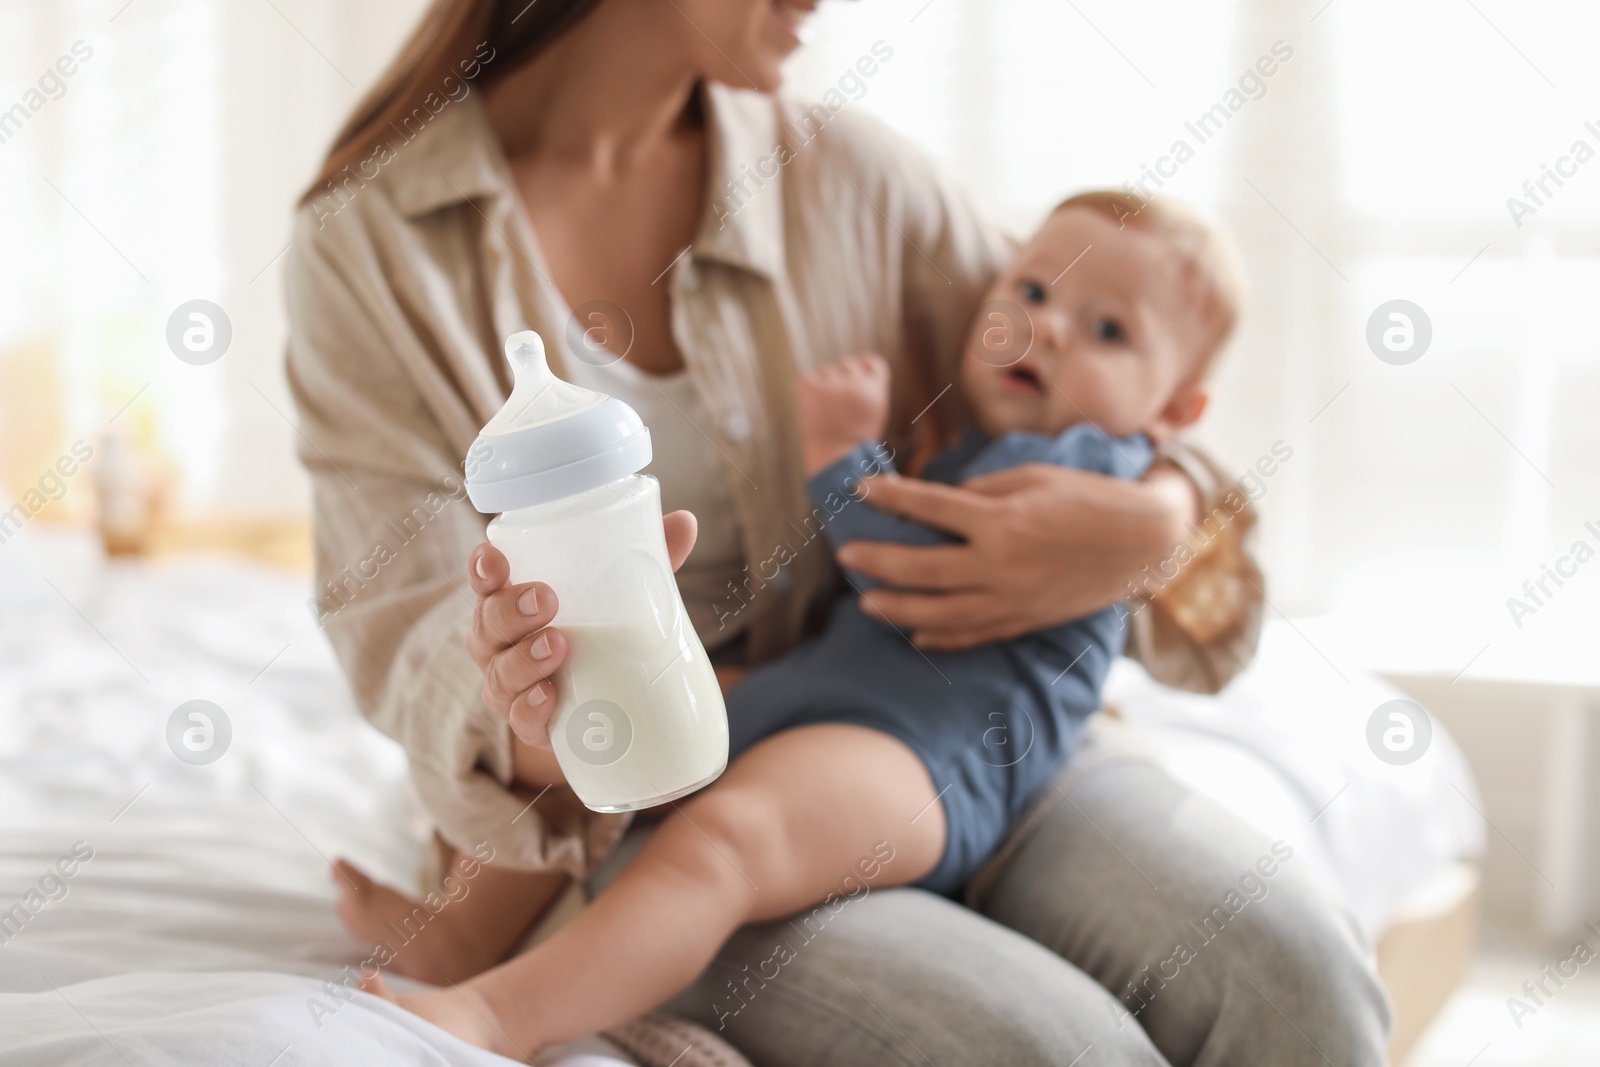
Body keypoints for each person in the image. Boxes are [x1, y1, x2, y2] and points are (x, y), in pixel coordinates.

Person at [285, 0, 1390, 1063]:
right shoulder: (374, 249)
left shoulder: (862, 181)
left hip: (1005, 736)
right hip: (672, 794)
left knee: (1295, 977)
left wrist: (1156, 519)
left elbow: (1128, 340)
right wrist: (554, 707)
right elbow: (414, 635)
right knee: (1049, 1049)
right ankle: (492, 973)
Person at [353, 191, 1247, 1055]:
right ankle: (463, 928)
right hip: (840, 696)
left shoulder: (1086, 466)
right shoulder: (985, 446)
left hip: (929, 752)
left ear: (1176, 411)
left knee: (727, 839)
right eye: (1034, 292)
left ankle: (500, 1016)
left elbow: (903, 549)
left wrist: (838, 457)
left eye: (1108, 330)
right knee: (619, 709)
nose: (1048, 327)